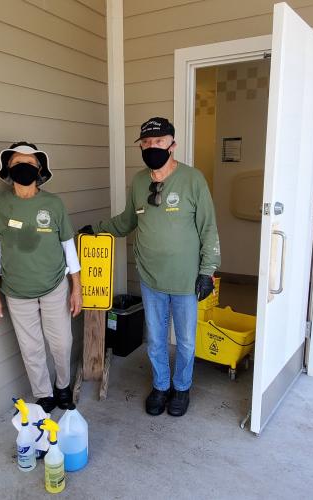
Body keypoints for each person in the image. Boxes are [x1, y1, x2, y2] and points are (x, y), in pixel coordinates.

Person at [80, 117, 220, 417]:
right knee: (156, 340)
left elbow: (208, 228)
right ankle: (161, 386)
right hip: (150, 277)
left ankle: (181, 388)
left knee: (184, 341)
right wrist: (99, 228)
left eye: (158, 142)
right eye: (145, 144)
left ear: (172, 145)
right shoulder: (140, 181)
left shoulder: (193, 179)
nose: (151, 148)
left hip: (186, 280)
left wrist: (207, 271)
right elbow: (128, 220)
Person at [0, 142, 82, 413]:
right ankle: (44, 393)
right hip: (16, 290)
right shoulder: (0, 204)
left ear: (39, 169)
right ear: (8, 169)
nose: (23, 168)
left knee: (62, 342)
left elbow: (68, 248)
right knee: (31, 348)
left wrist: (77, 288)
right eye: (17, 163)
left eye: (30, 163)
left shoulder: (53, 203)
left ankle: (63, 386)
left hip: (54, 286)